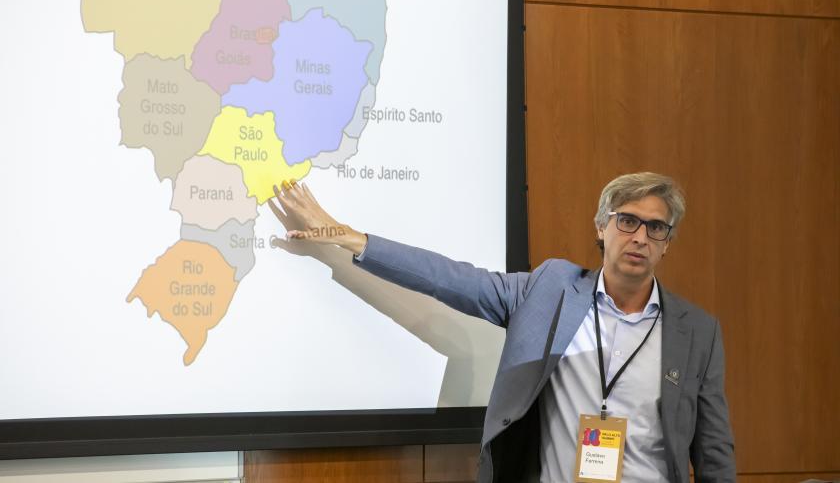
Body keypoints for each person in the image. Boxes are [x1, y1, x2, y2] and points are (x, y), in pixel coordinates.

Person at [267, 172, 736, 483]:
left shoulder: (695, 332)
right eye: (627, 221)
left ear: (667, 243)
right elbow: (449, 278)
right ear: (601, 226)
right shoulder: (550, 290)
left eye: (656, 228)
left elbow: (713, 452)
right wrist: (346, 235)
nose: (640, 237)